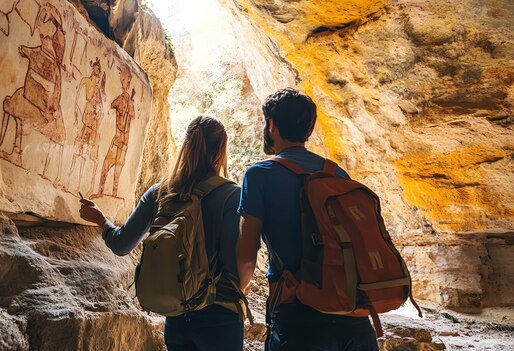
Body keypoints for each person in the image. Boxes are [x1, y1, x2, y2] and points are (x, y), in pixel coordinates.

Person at [79, 116, 246, 351]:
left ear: (185, 146)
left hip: (176, 316)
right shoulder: (232, 195)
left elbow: (121, 245)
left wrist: (101, 220)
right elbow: (235, 267)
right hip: (218, 319)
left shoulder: (161, 192)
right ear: (221, 150)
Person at [236, 88, 378, 351]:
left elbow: (246, 256)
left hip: (299, 320)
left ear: (271, 125)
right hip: (353, 319)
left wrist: (239, 291)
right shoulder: (337, 174)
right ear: (308, 129)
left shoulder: (259, 175)